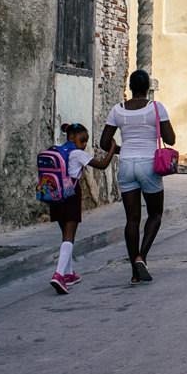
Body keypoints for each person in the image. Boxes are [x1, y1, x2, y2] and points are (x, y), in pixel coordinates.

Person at [100, 69, 176, 285]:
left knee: (131, 219)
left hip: (126, 165)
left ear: (130, 87)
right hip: (149, 165)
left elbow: (104, 143)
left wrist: (121, 150)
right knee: (155, 214)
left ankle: (135, 270)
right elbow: (170, 139)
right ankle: (142, 256)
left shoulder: (118, 110)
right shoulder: (156, 108)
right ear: (147, 88)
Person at [48, 123, 116, 295]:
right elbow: (101, 165)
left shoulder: (55, 150)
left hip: (55, 196)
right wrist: (112, 149)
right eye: (82, 140)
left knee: (65, 236)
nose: (84, 144)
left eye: (86, 141)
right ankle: (59, 275)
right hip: (71, 194)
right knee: (69, 237)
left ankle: (69, 273)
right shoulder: (78, 154)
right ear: (72, 137)